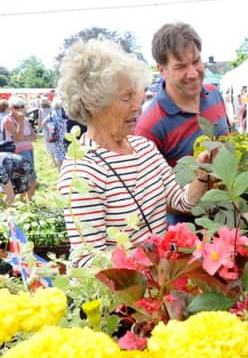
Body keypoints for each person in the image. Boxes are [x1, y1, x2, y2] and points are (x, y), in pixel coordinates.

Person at [56, 38, 212, 267]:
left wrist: (202, 171)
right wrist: (145, 259)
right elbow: (89, 261)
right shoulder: (82, 172)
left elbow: (182, 202)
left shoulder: (144, 148)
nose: (137, 106)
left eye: (136, 95)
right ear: (93, 103)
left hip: (162, 285)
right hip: (128, 296)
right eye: (126, 98)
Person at [134, 22, 230, 224]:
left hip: (232, 218)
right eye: (180, 66)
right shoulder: (149, 126)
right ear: (162, 70)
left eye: (196, 61)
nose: (193, 73)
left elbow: (229, 142)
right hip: (188, 235)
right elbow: (148, 197)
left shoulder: (214, 95)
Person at [1, 96, 37, 200]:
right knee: (27, 177)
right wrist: (20, 122)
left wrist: (24, 136)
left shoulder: (25, 120)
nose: (20, 109)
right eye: (17, 107)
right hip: (16, 151)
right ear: (11, 108)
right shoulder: (7, 120)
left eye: (22, 106)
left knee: (30, 176)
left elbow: (34, 136)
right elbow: (19, 138)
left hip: (29, 148)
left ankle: (28, 200)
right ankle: (23, 201)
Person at [38, 97, 56, 165]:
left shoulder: (40, 110)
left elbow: (40, 120)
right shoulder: (52, 108)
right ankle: (56, 159)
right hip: (53, 128)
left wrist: (38, 130)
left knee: (49, 145)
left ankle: (53, 160)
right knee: (55, 143)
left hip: (46, 129)